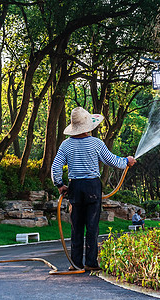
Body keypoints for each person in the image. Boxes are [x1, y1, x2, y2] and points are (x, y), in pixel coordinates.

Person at [51, 107, 136, 271]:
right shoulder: (96, 143)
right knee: (92, 227)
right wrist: (127, 160)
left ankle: (76, 264)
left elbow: (56, 167)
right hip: (92, 187)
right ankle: (91, 263)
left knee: (76, 228)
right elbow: (113, 161)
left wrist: (60, 185)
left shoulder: (65, 145)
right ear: (88, 126)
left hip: (75, 187)